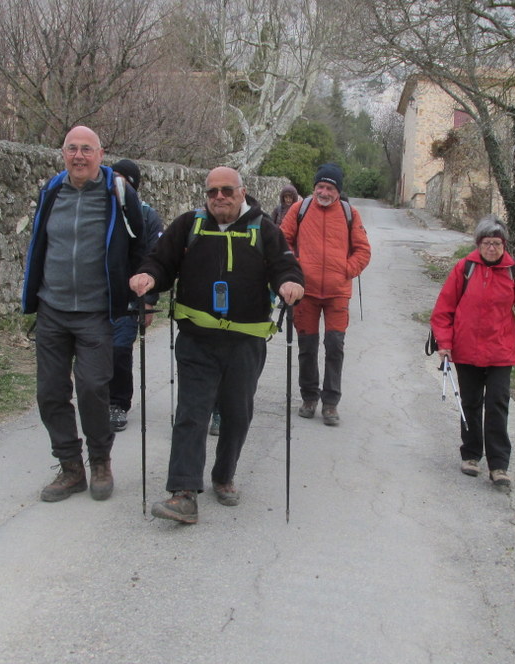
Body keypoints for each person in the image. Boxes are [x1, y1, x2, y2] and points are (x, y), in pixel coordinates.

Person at [129, 167, 304, 524]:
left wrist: (290, 283)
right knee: (192, 413)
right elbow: (160, 260)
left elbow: (285, 265)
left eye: (226, 190)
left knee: (237, 414)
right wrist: (149, 277)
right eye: (212, 192)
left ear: (242, 192)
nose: (219, 197)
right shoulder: (188, 226)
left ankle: (224, 476)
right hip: (197, 339)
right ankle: (183, 493)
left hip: (246, 341)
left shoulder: (263, 229)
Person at [21, 126, 145, 503]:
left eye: (86, 149)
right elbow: (39, 243)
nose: (79, 156)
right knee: (50, 393)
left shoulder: (119, 193)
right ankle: (71, 467)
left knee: (93, 388)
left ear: (100, 154)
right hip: (52, 309)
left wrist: (139, 293)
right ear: (63, 153)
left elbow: (139, 245)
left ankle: (100, 461)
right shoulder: (52, 190)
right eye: (72, 149)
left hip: (95, 311)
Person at [429, 215, 515, 488]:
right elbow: (443, 309)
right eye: (486, 243)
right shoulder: (464, 268)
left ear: (504, 245)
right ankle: (471, 455)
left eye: (497, 243)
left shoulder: (514, 270)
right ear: (478, 244)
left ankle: (499, 465)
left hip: (500, 353)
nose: (492, 248)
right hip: (466, 350)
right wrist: (444, 344)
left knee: (497, 405)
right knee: (469, 403)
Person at [279, 163, 371, 426]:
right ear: (314, 187)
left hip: (337, 293)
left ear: (338, 191)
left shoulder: (349, 213)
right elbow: (281, 240)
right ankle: (309, 398)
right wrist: (293, 268)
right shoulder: (300, 209)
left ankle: (330, 403)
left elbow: (363, 250)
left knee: (334, 346)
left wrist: (346, 270)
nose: (324, 191)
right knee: (307, 348)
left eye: (330, 188)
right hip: (304, 293)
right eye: (320, 186)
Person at [108, 159, 163, 432]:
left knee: (119, 349)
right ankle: (96, 401)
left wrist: (149, 302)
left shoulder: (147, 216)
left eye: (123, 180)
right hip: (98, 296)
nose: (116, 184)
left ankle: (118, 403)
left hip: (130, 298)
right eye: (113, 177)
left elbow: (157, 258)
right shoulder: (99, 211)